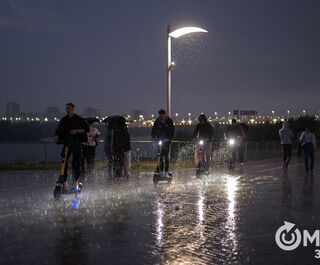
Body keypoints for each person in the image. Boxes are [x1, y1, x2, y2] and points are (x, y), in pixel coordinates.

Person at [54, 103, 89, 189]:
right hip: (67, 143)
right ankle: (63, 180)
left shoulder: (78, 119)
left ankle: (76, 180)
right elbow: (59, 129)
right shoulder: (64, 120)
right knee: (64, 161)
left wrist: (77, 130)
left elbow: (87, 129)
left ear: (73, 109)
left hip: (76, 143)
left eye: (69, 108)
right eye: (66, 108)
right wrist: (56, 136)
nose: (67, 110)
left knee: (76, 163)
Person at [151, 109, 175, 177]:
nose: (161, 117)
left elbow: (172, 130)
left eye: (162, 115)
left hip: (167, 141)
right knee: (160, 156)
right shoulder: (157, 121)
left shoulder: (169, 121)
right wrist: (153, 136)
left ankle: (166, 172)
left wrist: (169, 138)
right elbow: (154, 129)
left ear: (165, 115)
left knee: (166, 156)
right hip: (160, 140)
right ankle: (161, 171)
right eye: (160, 116)